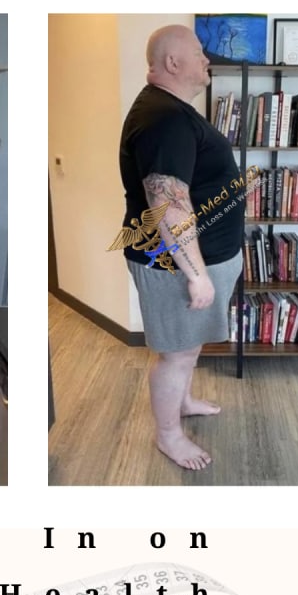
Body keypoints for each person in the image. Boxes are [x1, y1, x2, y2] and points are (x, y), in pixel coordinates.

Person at [118, 25, 244, 471]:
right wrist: (197, 274)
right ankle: (169, 436)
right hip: (178, 266)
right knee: (177, 353)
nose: (207, 58)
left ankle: (184, 401)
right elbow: (167, 203)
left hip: (204, 257)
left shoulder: (169, 111)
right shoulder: (165, 118)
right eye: (198, 52)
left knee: (188, 346)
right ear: (173, 62)